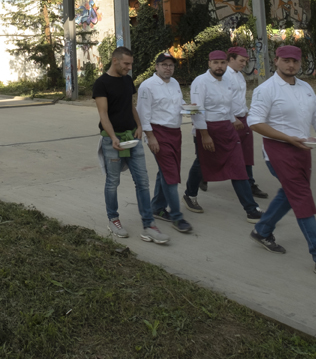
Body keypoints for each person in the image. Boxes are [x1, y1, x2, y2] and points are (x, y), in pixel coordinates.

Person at [248, 45, 316, 283]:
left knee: (290, 194)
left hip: (304, 149)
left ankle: (262, 230)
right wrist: (287, 139)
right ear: (276, 61)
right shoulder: (266, 90)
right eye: (286, 60)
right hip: (278, 150)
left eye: (295, 61)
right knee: (302, 199)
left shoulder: (306, 87)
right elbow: (254, 122)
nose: (291, 65)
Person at [93, 47, 170, 245]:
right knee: (113, 181)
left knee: (142, 181)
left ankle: (149, 224)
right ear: (115, 61)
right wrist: (112, 137)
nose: (129, 68)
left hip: (132, 138)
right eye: (126, 64)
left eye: (130, 64)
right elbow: (103, 114)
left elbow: (131, 106)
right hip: (113, 140)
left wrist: (139, 126)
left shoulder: (127, 80)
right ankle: (114, 219)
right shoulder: (101, 84)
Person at [184, 51, 262, 222]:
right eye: (216, 63)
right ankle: (190, 194)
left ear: (227, 63)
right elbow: (195, 110)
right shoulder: (200, 82)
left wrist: (233, 119)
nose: (219, 66)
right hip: (207, 129)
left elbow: (227, 105)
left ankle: (251, 209)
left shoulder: (227, 80)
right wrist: (204, 135)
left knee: (238, 166)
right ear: (209, 63)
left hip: (227, 129)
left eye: (222, 63)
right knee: (202, 163)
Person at [138, 53, 192, 234]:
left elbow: (179, 104)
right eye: (164, 65)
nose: (168, 68)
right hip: (158, 133)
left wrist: (191, 109)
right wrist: (150, 137)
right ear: (156, 66)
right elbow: (143, 114)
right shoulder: (147, 86)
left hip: (175, 133)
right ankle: (177, 216)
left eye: (171, 65)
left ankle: (157, 207)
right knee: (171, 176)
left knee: (166, 172)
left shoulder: (175, 83)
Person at [226, 46, 267, 200]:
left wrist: (246, 112)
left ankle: (249, 182)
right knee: (229, 153)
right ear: (231, 59)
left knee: (247, 152)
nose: (244, 64)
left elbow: (239, 98)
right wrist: (232, 118)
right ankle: (202, 175)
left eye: (245, 61)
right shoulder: (225, 76)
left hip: (243, 118)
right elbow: (224, 100)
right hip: (232, 120)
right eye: (241, 61)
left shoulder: (239, 75)